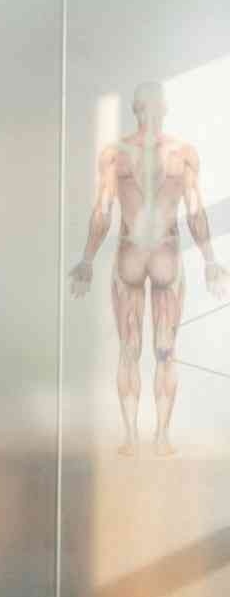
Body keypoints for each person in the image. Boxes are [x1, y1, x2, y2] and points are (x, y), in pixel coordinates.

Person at [70, 82, 228, 455]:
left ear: (134, 108)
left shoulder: (115, 154)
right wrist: (209, 260)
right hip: (166, 254)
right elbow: (195, 212)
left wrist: (88, 260)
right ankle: (161, 438)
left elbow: (102, 213)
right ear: (165, 108)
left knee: (128, 348)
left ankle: (129, 438)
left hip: (129, 252)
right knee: (165, 350)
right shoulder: (183, 154)